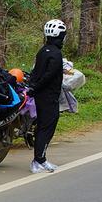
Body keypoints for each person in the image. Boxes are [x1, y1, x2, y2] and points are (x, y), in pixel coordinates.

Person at [30, 19, 67, 173]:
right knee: (47, 128)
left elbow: (36, 72)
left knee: (41, 127)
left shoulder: (43, 51)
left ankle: (38, 158)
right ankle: (40, 160)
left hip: (39, 96)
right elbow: (48, 76)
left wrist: (33, 87)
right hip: (49, 96)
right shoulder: (56, 54)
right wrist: (36, 87)